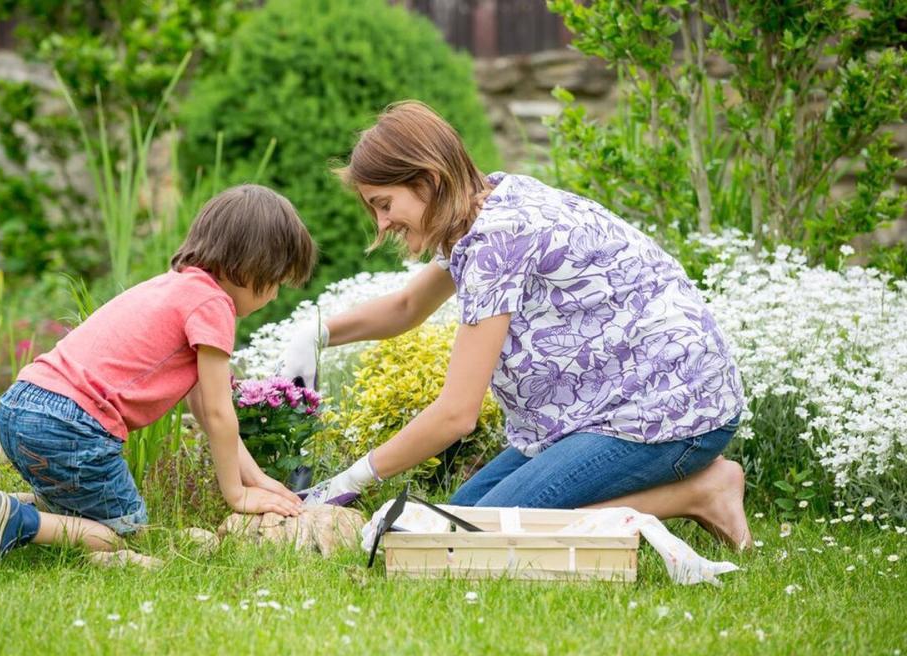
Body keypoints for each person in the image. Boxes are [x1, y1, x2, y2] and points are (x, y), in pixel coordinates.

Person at [282, 101, 751, 549]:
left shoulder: (496, 241)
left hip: (669, 414)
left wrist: (348, 480)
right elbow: (407, 306)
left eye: (385, 204)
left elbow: (456, 414)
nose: (382, 224)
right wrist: (318, 332)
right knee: (460, 517)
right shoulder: (487, 205)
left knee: (468, 538)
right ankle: (693, 490)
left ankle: (699, 491)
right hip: (597, 411)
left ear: (426, 179)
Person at [0, 184, 314, 572]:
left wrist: (256, 479)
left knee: (71, 506)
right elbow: (217, 411)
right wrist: (236, 494)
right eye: (276, 280)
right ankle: (15, 522)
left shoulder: (174, 286)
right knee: (120, 534)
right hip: (72, 425)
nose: (276, 295)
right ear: (251, 265)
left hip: (23, 405)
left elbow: (206, 413)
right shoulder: (214, 305)